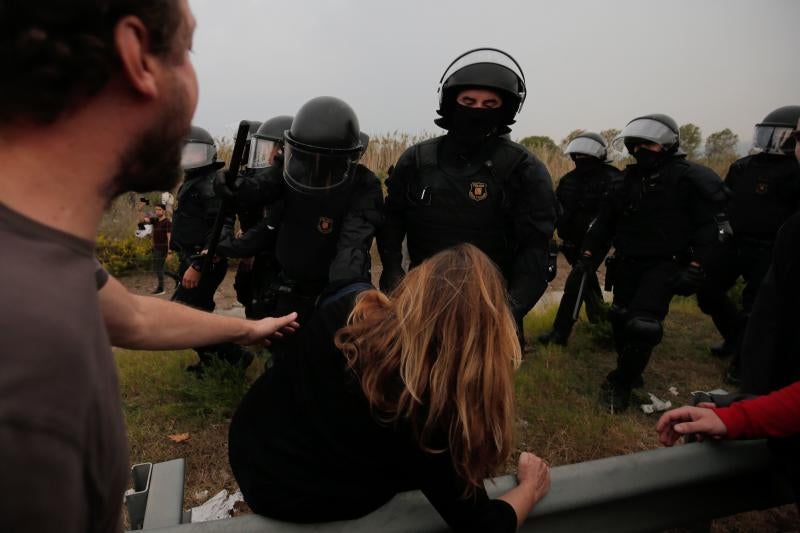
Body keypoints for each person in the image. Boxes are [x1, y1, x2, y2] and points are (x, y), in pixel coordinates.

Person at [0, 2, 297, 530]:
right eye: (187, 50)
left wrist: (248, 327)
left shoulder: (41, 258)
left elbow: (133, 316)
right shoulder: (33, 361)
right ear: (137, 56)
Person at [229, 244, 550, 532]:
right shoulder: (427, 413)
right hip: (287, 494)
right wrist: (529, 488)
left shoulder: (349, 310)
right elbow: (482, 527)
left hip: (249, 443)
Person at [378, 48, 557, 347]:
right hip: (421, 299)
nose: (477, 110)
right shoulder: (418, 160)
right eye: (468, 102)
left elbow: (535, 250)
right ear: (451, 102)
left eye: (490, 103)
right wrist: (394, 275)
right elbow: (392, 221)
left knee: (478, 391)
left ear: (506, 109)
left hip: (490, 306)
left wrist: (509, 313)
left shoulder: (524, 170)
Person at [580, 114, 728, 412]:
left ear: (668, 144)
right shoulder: (626, 182)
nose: (640, 150)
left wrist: (697, 266)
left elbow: (712, 228)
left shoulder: (690, 179)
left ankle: (619, 383)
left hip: (664, 265)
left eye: (649, 144)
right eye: (636, 145)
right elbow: (604, 224)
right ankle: (631, 372)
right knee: (621, 318)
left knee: (644, 325)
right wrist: (587, 256)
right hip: (626, 264)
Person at [216, 97, 384, 326]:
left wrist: (344, 293)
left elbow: (354, 243)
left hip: (333, 290)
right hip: (289, 285)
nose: (315, 165)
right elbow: (260, 187)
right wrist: (232, 184)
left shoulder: (363, 185)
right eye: (307, 156)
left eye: (325, 161)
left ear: (346, 159)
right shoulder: (290, 170)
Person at [696, 106, 800, 367]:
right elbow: (723, 202)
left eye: (783, 136)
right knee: (707, 290)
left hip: (771, 248)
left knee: (755, 307)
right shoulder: (743, 166)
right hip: (735, 242)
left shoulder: (796, 172)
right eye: (770, 134)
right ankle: (734, 337)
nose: (774, 141)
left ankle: (743, 364)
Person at [171, 125, 253, 375]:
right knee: (198, 313)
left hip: (205, 260)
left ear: (208, 153)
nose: (190, 157)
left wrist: (198, 264)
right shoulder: (194, 181)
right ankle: (211, 361)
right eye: (186, 151)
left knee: (183, 316)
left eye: (195, 152)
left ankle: (235, 357)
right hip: (192, 258)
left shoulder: (211, 184)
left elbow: (221, 228)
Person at [538, 132, 621, 346]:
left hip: (596, 242)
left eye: (585, 154)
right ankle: (600, 322)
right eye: (577, 154)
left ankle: (559, 334)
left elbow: (613, 215)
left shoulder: (612, 178)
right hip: (571, 241)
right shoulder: (568, 180)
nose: (580, 157)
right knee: (589, 282)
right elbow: (556, 208)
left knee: (576, 281)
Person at [140, 203, 173, 294]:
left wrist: (170, 252)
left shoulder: (167, 223)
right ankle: (176, 278)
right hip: (156, 248)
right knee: (159, 268)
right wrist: (140, 209)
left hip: (163, 249)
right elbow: (142, 220)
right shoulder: (155, 220)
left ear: (164, 211)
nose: (157, 211)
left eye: (159, 209)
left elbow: (169, 238)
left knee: (158, 268)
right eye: (156, 210)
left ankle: (161, 288)